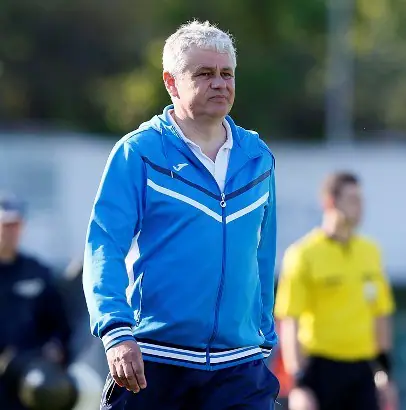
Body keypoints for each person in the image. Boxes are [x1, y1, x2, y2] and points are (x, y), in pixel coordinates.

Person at [83, 19, 279, 410]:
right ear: (171, 83)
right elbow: (104, 245)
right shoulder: (139, 152)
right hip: (153, 362)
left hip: (239, 366)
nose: (220, 83)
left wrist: (263, 338)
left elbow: (263, 253)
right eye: (204, 74)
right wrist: (116, 331)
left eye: (226, 74)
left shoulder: (258, 157)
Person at [274, 172, 398, 410]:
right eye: (352, 199)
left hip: (362, 370)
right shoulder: (303, 255)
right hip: (320, 370)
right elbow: (290, 320)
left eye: (361, 200)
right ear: (330, 202)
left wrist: (385, 373)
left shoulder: (371, 252)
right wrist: (299, 384)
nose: (360, 207)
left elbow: (381, 313)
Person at [0, 193, 72, 409]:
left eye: (15, 225)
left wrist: (55, 347)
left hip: (30, 376)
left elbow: (60, 323)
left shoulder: (37, 272)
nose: (10, 231)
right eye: (5, 225)